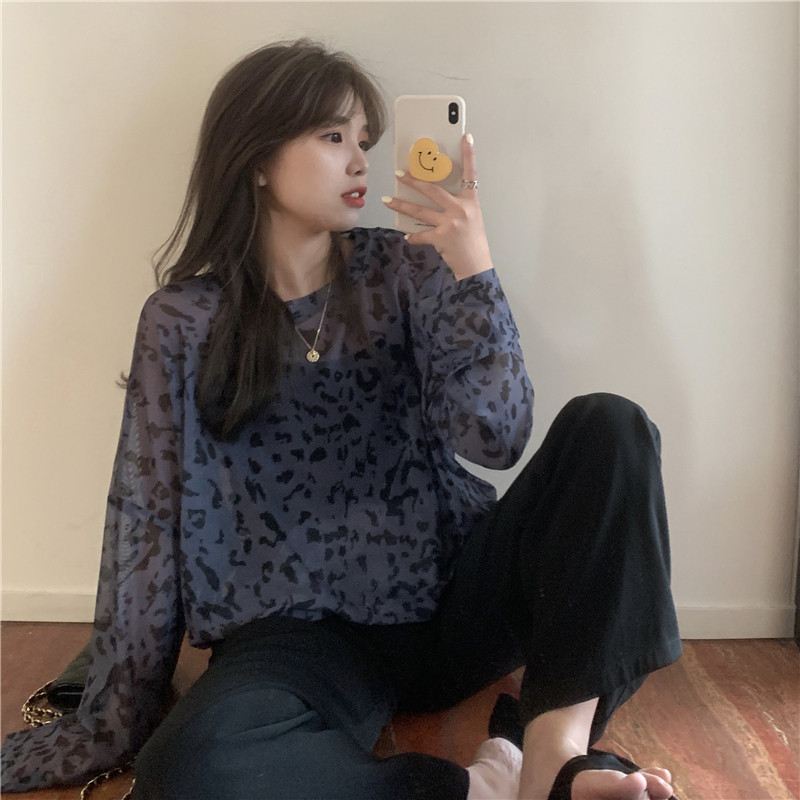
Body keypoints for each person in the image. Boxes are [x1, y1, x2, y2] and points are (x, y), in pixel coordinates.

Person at [1, 39, 682, 800]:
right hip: (302, 641)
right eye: (332, 137)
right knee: (188, 766)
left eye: (364, 139)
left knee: (611, 428)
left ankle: (553, 756)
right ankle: (480, 787)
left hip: (454, 597)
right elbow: (147, 521)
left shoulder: (409, 267)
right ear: (256, 159)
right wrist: (112, 717)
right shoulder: (184, 319)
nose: (360, 160)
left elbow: (495, 437)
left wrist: (474, 269)